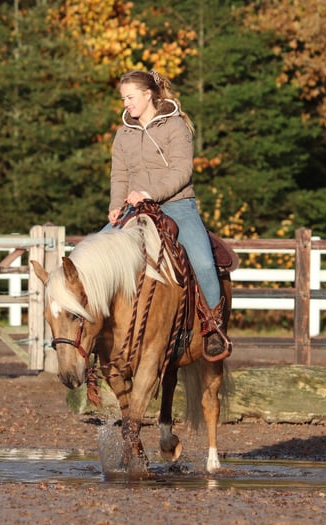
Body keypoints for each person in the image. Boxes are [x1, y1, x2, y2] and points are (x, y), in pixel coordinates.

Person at [107, 69, 231, 360]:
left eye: (130, 97)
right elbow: (119, 175)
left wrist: (150, 193)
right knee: (94, 255)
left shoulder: (175, 126)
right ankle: (100, 332)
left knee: (202, 259)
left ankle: (213, 327)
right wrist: (115, 206)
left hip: (177, 204)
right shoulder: (123, 133)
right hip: (135, 208)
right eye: (123, 98)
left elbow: (182, 171)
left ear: (148, 94)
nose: (126, 103)